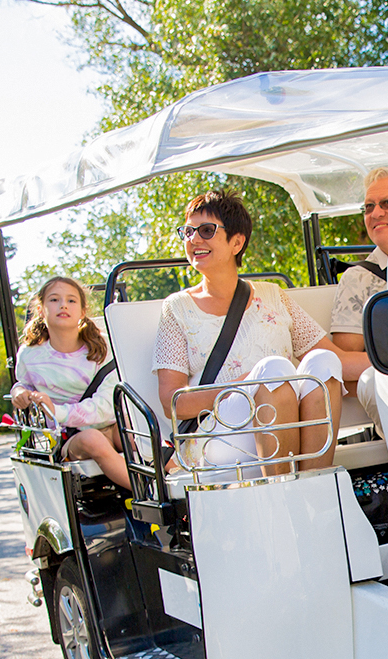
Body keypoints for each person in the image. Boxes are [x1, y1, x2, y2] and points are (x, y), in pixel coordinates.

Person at [153, 190, 370, 477]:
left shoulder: (273, 296)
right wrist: (248, 383)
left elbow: (337, 359)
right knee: (274, 369)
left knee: (323, 362)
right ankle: (291, 492)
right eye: (188, 231)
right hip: (220, 429)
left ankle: (312, 483)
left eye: (206, 230)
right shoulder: (177, 308)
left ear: (237, 242)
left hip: (287, 419)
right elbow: (174, 402)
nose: (194, 240)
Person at [10, 276, 131, 489]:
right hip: (71, 438)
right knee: (92, 438)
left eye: (71, 300)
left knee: (133, 430)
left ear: (82, 312)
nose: (63, 305)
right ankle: (154, 496)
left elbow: (107, 406)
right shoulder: (30, 355)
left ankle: (178, 482)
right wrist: (19, 391)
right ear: (40, 309)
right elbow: (25, 385)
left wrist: (55, 410)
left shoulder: (103, 348)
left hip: (109, 423)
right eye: (54, 300)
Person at [329, 166, 388, 430]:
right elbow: (348, 371)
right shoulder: (357, 279)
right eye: (368, 207)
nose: (376, 213)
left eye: (387, 203)